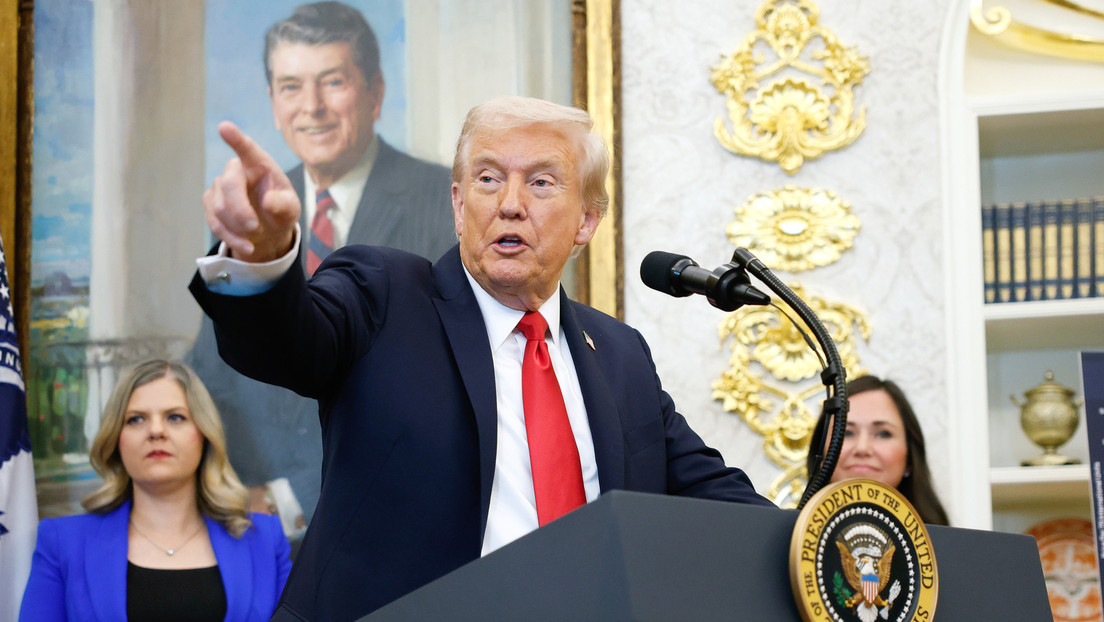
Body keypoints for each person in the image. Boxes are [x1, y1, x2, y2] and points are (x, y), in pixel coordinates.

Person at [190, 95, 776, 620]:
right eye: (489, 178)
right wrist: (262, 255)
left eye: (542, 183)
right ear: (458, 202)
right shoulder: (384, 295)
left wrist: (814, 541)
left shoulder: (619, 354)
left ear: (587, 219)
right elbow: (285, 343)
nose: (510, 204)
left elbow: (715, 497)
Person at [185, 0, 457, 532]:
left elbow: (441, 389)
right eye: (291, 87)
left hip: (395, 527)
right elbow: (213, 375)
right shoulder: (251, 210)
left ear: (375, 93)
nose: (312, 107)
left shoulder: (446, 203)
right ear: (273, 100)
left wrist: (288, 498)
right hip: (249, 534)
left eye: (333, 82)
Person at [20, 360, 291, 621]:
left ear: (204, 435)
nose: (156, 431)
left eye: (175, 417)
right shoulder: (63, 543)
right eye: (136, 419)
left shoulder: (265, 540)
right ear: (116, 439)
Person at [806, 374, 949, 525]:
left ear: (909, 458)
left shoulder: (944, 539)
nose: (862, 448)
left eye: (883, 434)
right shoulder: (792, 533)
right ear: (821, 455)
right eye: (846, 432)